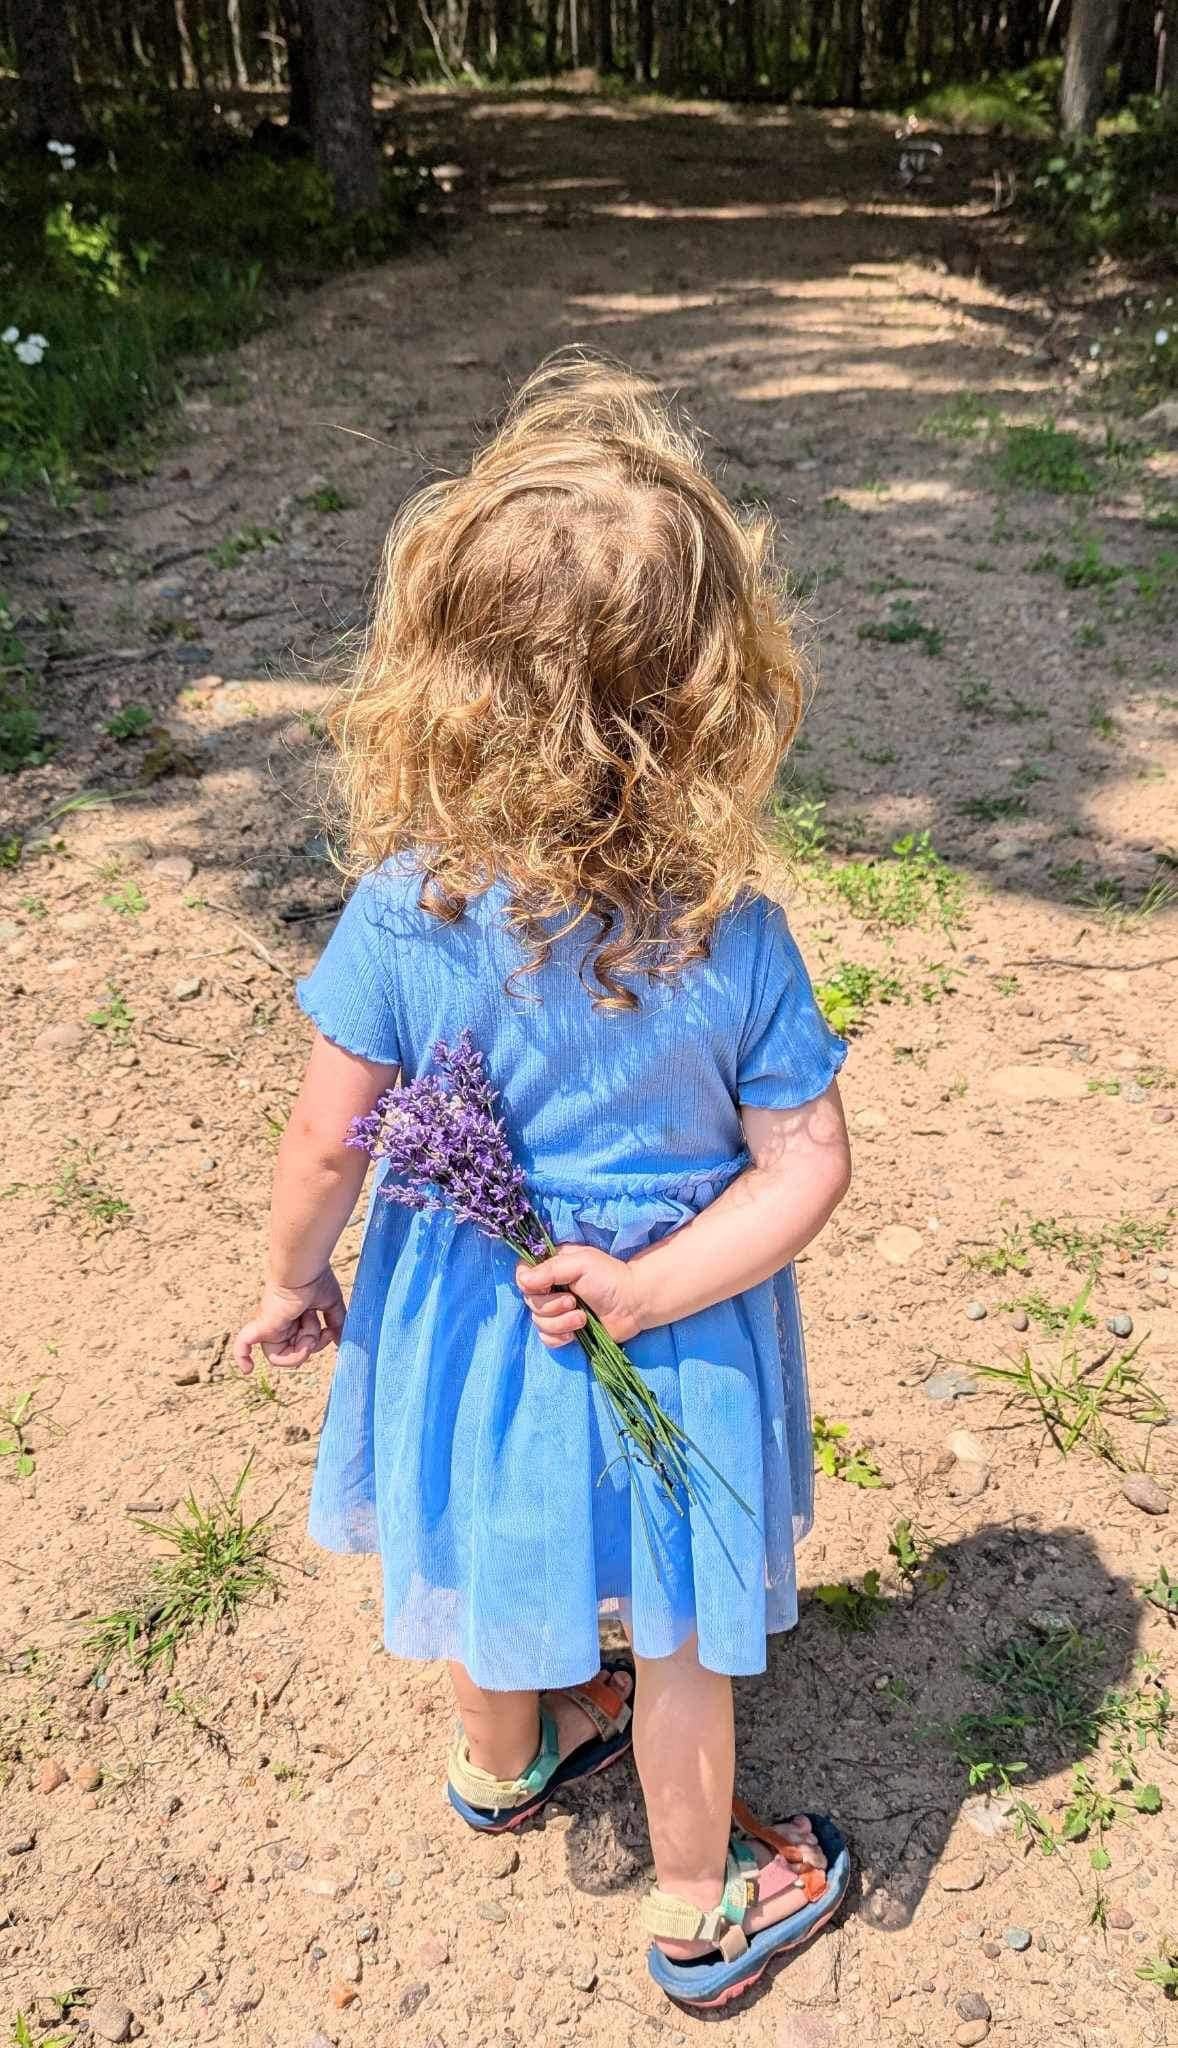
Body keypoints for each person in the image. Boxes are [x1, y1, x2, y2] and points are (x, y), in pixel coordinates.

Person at [233, 354, 853, 2009]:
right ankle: (698, 1892)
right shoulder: (734, 938)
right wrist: (652, 1288)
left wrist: (296, 1285)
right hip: (673, 1325)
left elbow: (323, 1143)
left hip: (466, 1321)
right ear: (716, 692)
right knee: (670, 1631)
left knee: (489, 1546)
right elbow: (806, 1164)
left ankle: (504, 1762)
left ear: (436, 674)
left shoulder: (399, 911)